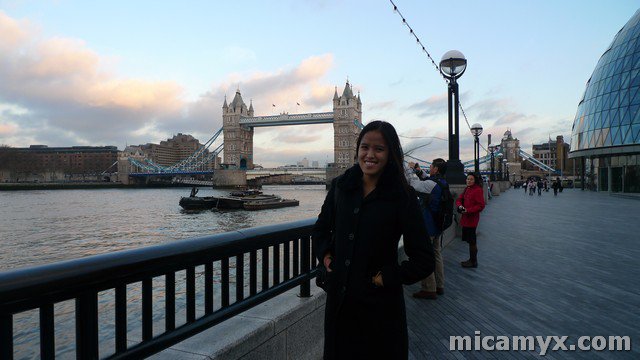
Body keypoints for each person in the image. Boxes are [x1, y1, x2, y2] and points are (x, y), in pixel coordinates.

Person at [312, 120, 434, 360]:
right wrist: (326, 256)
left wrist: (386, 278)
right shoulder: (340, 187)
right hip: (340, 305)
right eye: (364, 147)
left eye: (379, 149)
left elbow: (424, 259)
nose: (370, 155)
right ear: (357, 149)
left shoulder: (403, 197)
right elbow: (321, 229)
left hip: (380, 309)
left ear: (390, 154)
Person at [407, 158, 447, 300]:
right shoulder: (442, 182)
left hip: (428, 226)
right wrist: (418, 170)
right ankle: (439, 285)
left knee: (425, 257)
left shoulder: (431, 184)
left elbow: (413, 185)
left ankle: (429, 288)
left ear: (435, 169)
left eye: (431, 166)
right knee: (436, 254)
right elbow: (427, 181)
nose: (429, 168)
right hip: (438, 225)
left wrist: (410, 170)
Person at [456, 173, 485, 268]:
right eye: (467, 179)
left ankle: (473, 261)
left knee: (472, 241)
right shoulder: (467, 189)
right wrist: (460, 206)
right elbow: (459, 199)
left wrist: (468, 210)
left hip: (472, 220)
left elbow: (481, 206)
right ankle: (471, 260)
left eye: (471, 179)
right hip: (465, 219)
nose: (468, 181)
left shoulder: (478, 190)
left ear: (475, 180)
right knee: (470, 241)